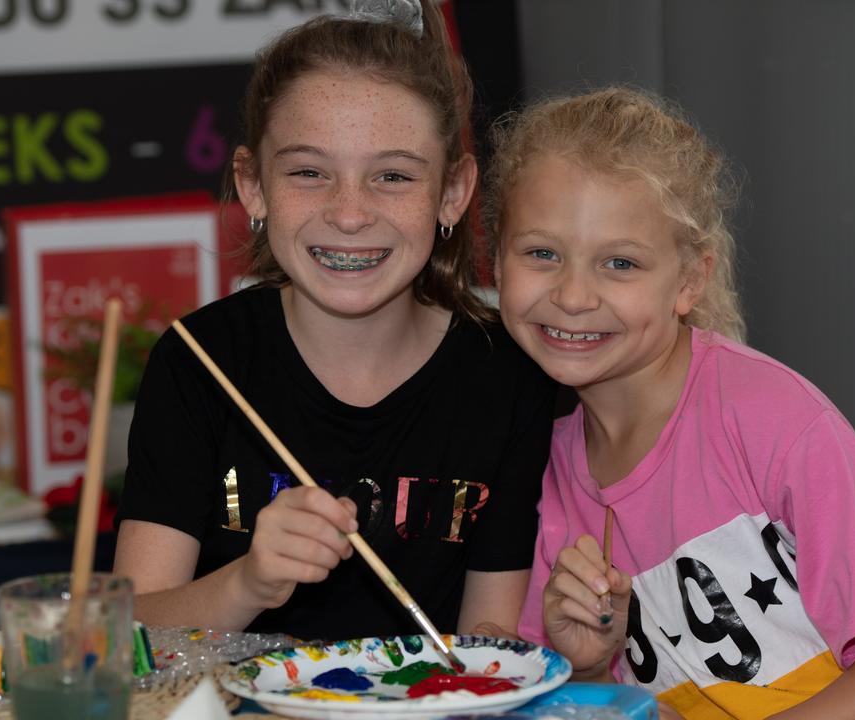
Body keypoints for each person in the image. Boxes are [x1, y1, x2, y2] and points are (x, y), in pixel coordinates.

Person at [488, 87, 855, 719]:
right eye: (542, 254)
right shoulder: (538, 477)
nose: (575, 295)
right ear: (497, 264)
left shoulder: (768, 416)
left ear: (689, 281)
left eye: (620, 263)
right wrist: (587, 662)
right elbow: (569, 701)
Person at [112, 0, 556, 641]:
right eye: (309, 172)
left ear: (453, 193)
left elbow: (491, 638)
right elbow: (129, 635)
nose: (350, 214)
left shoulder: (505, 378)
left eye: (393, 175)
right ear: (254, 185)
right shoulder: (198, 360)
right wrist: (249, 582)